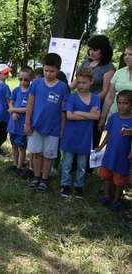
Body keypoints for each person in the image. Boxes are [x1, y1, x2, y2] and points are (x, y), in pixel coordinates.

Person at [24, 53, 68, 192]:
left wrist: (62, 128)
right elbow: (30, 105)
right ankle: (36, 177)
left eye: (52, 71)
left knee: (48, 155)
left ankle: (44, 179)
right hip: (36, 126)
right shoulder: (36, 84)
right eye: (46, 70)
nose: (48, 74)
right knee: (36, 153)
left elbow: (63, 110)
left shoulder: (62, 87)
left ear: (59, 69)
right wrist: (27, 123)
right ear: (43, 68)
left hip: (53, 129)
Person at [60, 68, 100, 199]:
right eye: (79, 82)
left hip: (85, 136)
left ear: (91, 82)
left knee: (82, 165)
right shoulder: (71, 97)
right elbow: (70, 116)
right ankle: (65, 184)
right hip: (70, 135)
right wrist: (89, 115)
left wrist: (79, 112)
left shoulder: (95, 98)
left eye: (84, 83)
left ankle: (79, 186)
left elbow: (96, 116)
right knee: (67, 163)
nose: (81, 85)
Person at [72, 35, 115, 150]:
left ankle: (88, 166)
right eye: (90, 49)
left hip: (94, 107)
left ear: (103, 50)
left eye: (95, 49)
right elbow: (76, 81)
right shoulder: (85, 62)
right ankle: (73, 164)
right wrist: (64, 89)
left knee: (92, 139)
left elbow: (105, 91)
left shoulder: (109, 67)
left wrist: (90, 103)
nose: (91, 52)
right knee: (76, 136)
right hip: (79, 104)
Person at [96, 90, 132, 211]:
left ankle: (116, 200)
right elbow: (109, 134)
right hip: (110, 153)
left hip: (123, 156)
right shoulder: (113, 117)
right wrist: (101, 147)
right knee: (107, 176)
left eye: (125, 103)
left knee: (119, 179)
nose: (121, 105)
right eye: (119, 103)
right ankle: (106, 195)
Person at [7, 67, 33, 175]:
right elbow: (10, 102)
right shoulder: (16, 90)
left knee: (21, 147)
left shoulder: (31, 92)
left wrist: (13, 110)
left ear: (31, 79)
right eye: (20, 79)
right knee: (13, 145)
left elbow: (28, 108)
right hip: (13, 124)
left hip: (23, 125)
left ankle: (19, 165)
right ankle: (14, 163)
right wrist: (13, 112)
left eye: (26, 79)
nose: (23, 82)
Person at [99, 42, 132, 128]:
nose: (127, 57)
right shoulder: (119, 72)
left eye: (130, 54)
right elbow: (110, 96)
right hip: (114, 113)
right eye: (125, 55)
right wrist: (103, 117)